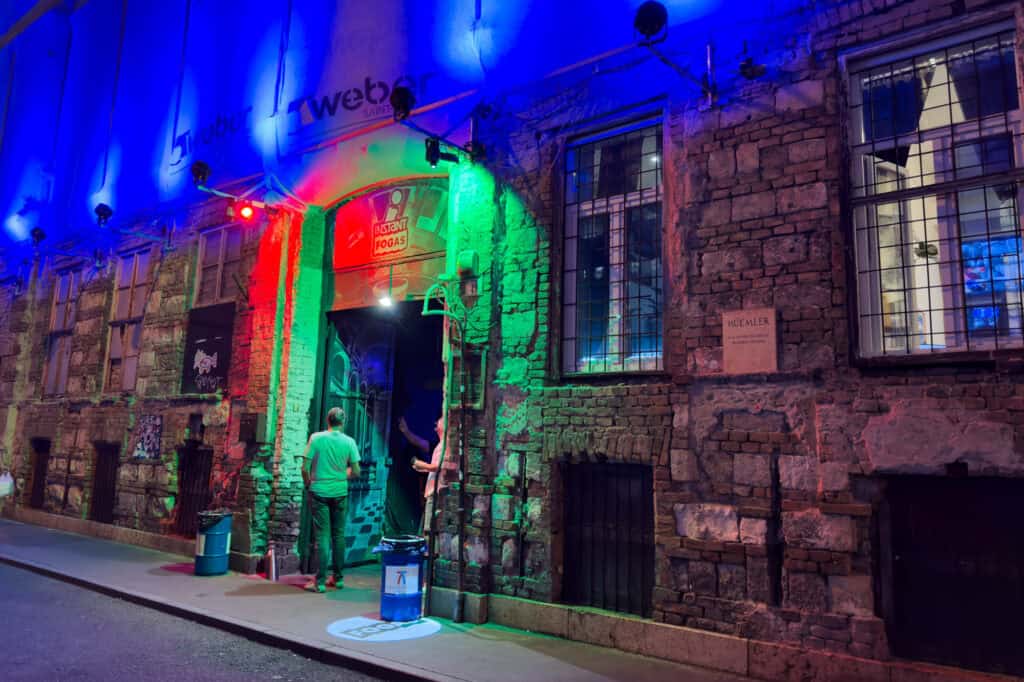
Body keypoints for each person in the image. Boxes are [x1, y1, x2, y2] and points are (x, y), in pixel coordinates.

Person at [301, 407, 361, 593]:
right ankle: (339, 578)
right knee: (338, 535)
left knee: (322, 537)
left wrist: (308, 483)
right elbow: (357, 471)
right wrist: (341, 475)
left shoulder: (316, 438)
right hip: (340, 492)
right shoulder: (349, 442)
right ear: (343, 422)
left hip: (319, 491)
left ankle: (319, 582)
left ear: (328, 420)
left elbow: (305, 467)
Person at [411, 415, 448, 534]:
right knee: (429, 528)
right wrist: (421, 468)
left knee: (431, 529)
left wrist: (420, 463)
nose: (437, 423)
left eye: (440, 420)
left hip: (437, 492)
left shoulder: (445, 445)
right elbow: (436, 468)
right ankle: (429, 551)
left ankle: (431, 552)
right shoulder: (440, 445)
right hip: (433, 491)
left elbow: (438, 466)